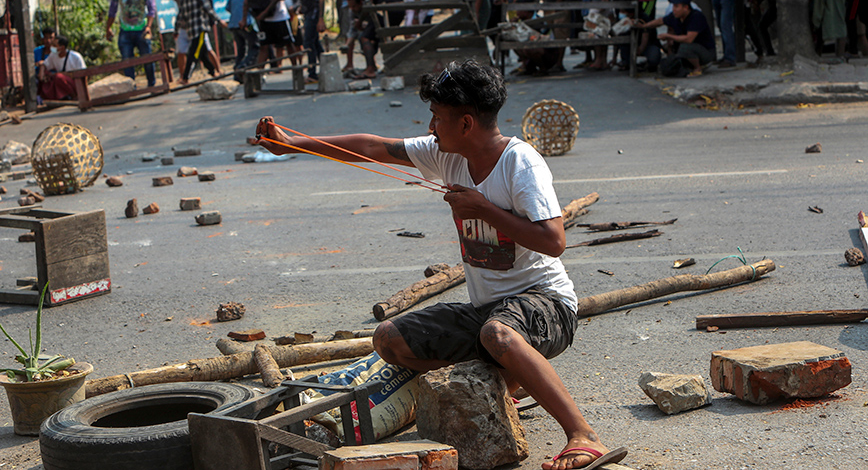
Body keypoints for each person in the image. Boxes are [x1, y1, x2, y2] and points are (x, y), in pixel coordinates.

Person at [253, 59, 629, 470]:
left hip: (546, 305)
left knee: (498, 334)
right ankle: (501, 389)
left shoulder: (520, 162)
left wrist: (484, 209)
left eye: (437, 118)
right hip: (489, 314)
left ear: (466, 123)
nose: (430, 127)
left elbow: (554, 242)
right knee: (388, 338)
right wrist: (292, 142)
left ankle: (583, 435)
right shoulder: (444, 153)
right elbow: (373, 147)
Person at [634, 0, 715, 77]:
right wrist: (644, 26)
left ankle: (698, 68)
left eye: (676, 6)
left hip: (705, 52)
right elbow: (660, 21)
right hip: (691, 50)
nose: (673, 9)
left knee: (685, 47)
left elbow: (689, 39)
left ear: (686, 7)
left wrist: (668, 36)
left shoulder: (696, 17)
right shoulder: (675, 17)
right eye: (673, 6)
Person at [105, 0, 156, 87]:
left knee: (147, 58)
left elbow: (152, 9)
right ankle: (131, 86)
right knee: (127, 60)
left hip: (141, 29)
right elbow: (113, 10)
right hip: (125, 30)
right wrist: (108, 28)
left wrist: (149, 26)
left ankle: (152, 84)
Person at [178, 0, 229, 84]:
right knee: (194, 53)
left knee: (202, 52)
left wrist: (178, 28)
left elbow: (181, 14)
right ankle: (186, 77)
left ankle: (212, 72)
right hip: (200, 28)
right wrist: (219, 20)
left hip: (191, 29)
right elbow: (207, 8)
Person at [282, 0, 326, 82]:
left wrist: (320, 19)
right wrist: (301, 7)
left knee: (308, 43)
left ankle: (312, 73)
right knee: (315, 43)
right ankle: (327, 67)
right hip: (307, 13)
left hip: (314, 14)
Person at [226, 0, 260, 77]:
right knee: (255, 46)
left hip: (234, 25)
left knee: (240, 50)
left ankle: (237, 70)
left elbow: (228, 7)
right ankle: (242, 68)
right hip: (248, 24)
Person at [37, 35, 86, 101]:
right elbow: (44, 64)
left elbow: (83, 74)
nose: (52, 47)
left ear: (62, 47)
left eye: (54, 45)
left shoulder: (75, 57)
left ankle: (74, 96)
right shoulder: (53, 55)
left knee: (58, 77)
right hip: (61, 83)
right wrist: (42, 73)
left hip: (75, 83)